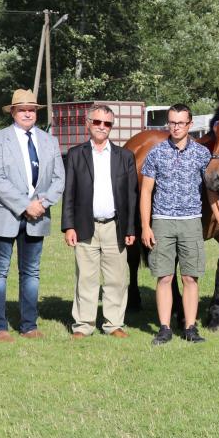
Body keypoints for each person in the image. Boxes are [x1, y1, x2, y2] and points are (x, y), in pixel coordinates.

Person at [141, 104, 219, 346]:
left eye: (181, 123)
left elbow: (211, 192)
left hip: (191, 223)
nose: (176, 127)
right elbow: (146, 192)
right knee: (164, 277)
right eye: (172, 122)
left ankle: (190, 328)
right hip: (162, 222)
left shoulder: (201, 154)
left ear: (189, 124)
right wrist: (146, 226)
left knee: (190, 278)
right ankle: (164, 328)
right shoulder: (156, 153)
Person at [0, 89, 65, 342]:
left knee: (31, 272)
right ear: (13, 112)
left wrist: (42, 203)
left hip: (37, 216)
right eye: (22, 110)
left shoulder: (49, 141)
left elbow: (59, 178)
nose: (27, 113)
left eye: (31, 110)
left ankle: (29, 325)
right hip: (5, 214)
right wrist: (25, 205)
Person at [62, 105, 137, 339]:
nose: (102, 127)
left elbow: (132, 196)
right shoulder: (75, 154)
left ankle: (114, 324)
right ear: (88, 123)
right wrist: (68, 226)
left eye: (107, 123)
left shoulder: (125, 156)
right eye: (97, 122)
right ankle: (83, 325)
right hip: (85, 225)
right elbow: (69, 193)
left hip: (115, 226)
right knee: (86, 278)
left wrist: (130, 228)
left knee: (116, 279)